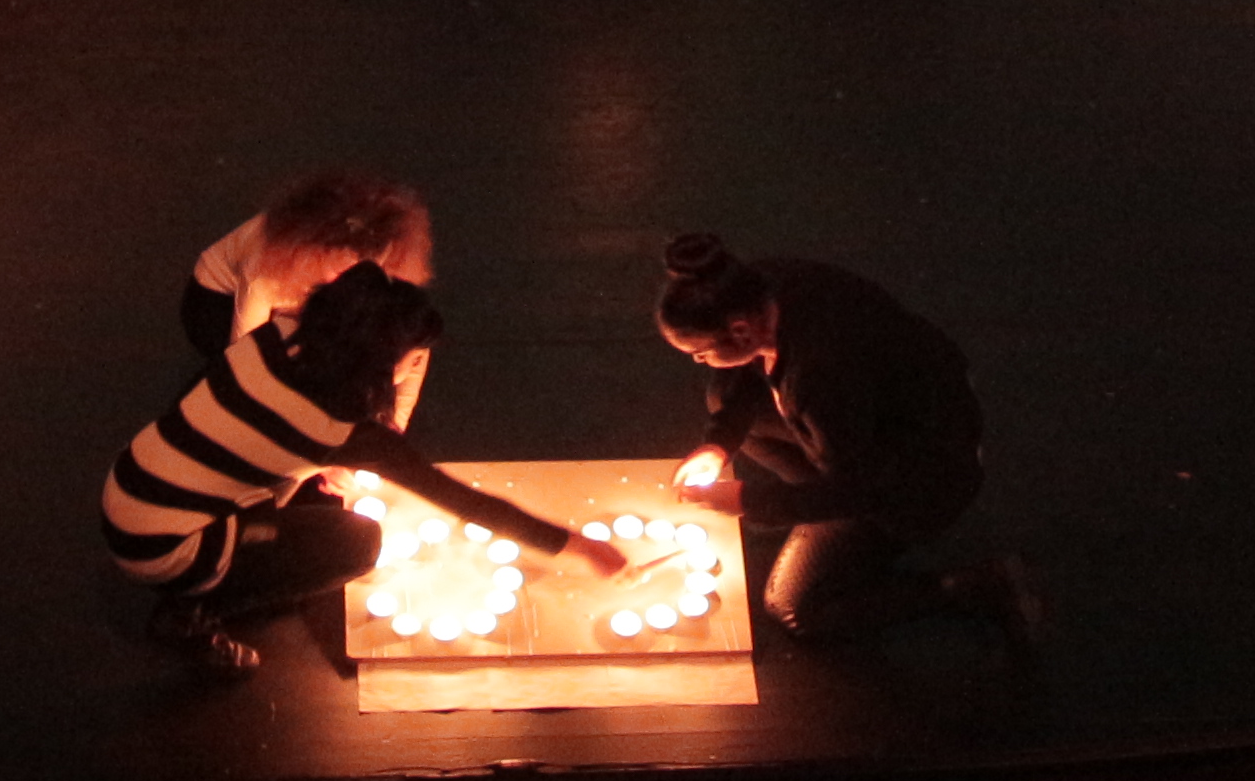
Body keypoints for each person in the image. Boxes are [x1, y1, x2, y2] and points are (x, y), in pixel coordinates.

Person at [103, 262, 617, 679]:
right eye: (409, 360)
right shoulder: (340, 430)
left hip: (129, 483)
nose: (411, 370)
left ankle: (218, 567)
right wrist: (581, 548)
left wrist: (303, 467)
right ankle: (191, 615)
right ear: (373, 360)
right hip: (166, 546)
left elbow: (239, 425)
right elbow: (462, 500)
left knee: (315, 500)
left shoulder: (276, 336)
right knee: (356, 543)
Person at [652, 233, 1037, 648]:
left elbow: (863, 485)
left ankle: (980, 585)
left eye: (701, 352)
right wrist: (718, 443)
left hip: (921, 475)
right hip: (872, 427)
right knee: (727, 406)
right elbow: (738, 381)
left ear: (740, 331)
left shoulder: (820, 376)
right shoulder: (756, 288)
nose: (700, 360)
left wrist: (753, 502)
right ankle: (824, 519)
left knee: (794, 609)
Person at [173, 167, 437, 367]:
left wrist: (394, 415)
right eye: (345, 271)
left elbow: (411, 339)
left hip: (297, 301)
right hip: (216, 301)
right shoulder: (271, 266)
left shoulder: (386, 250)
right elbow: (244, 360)